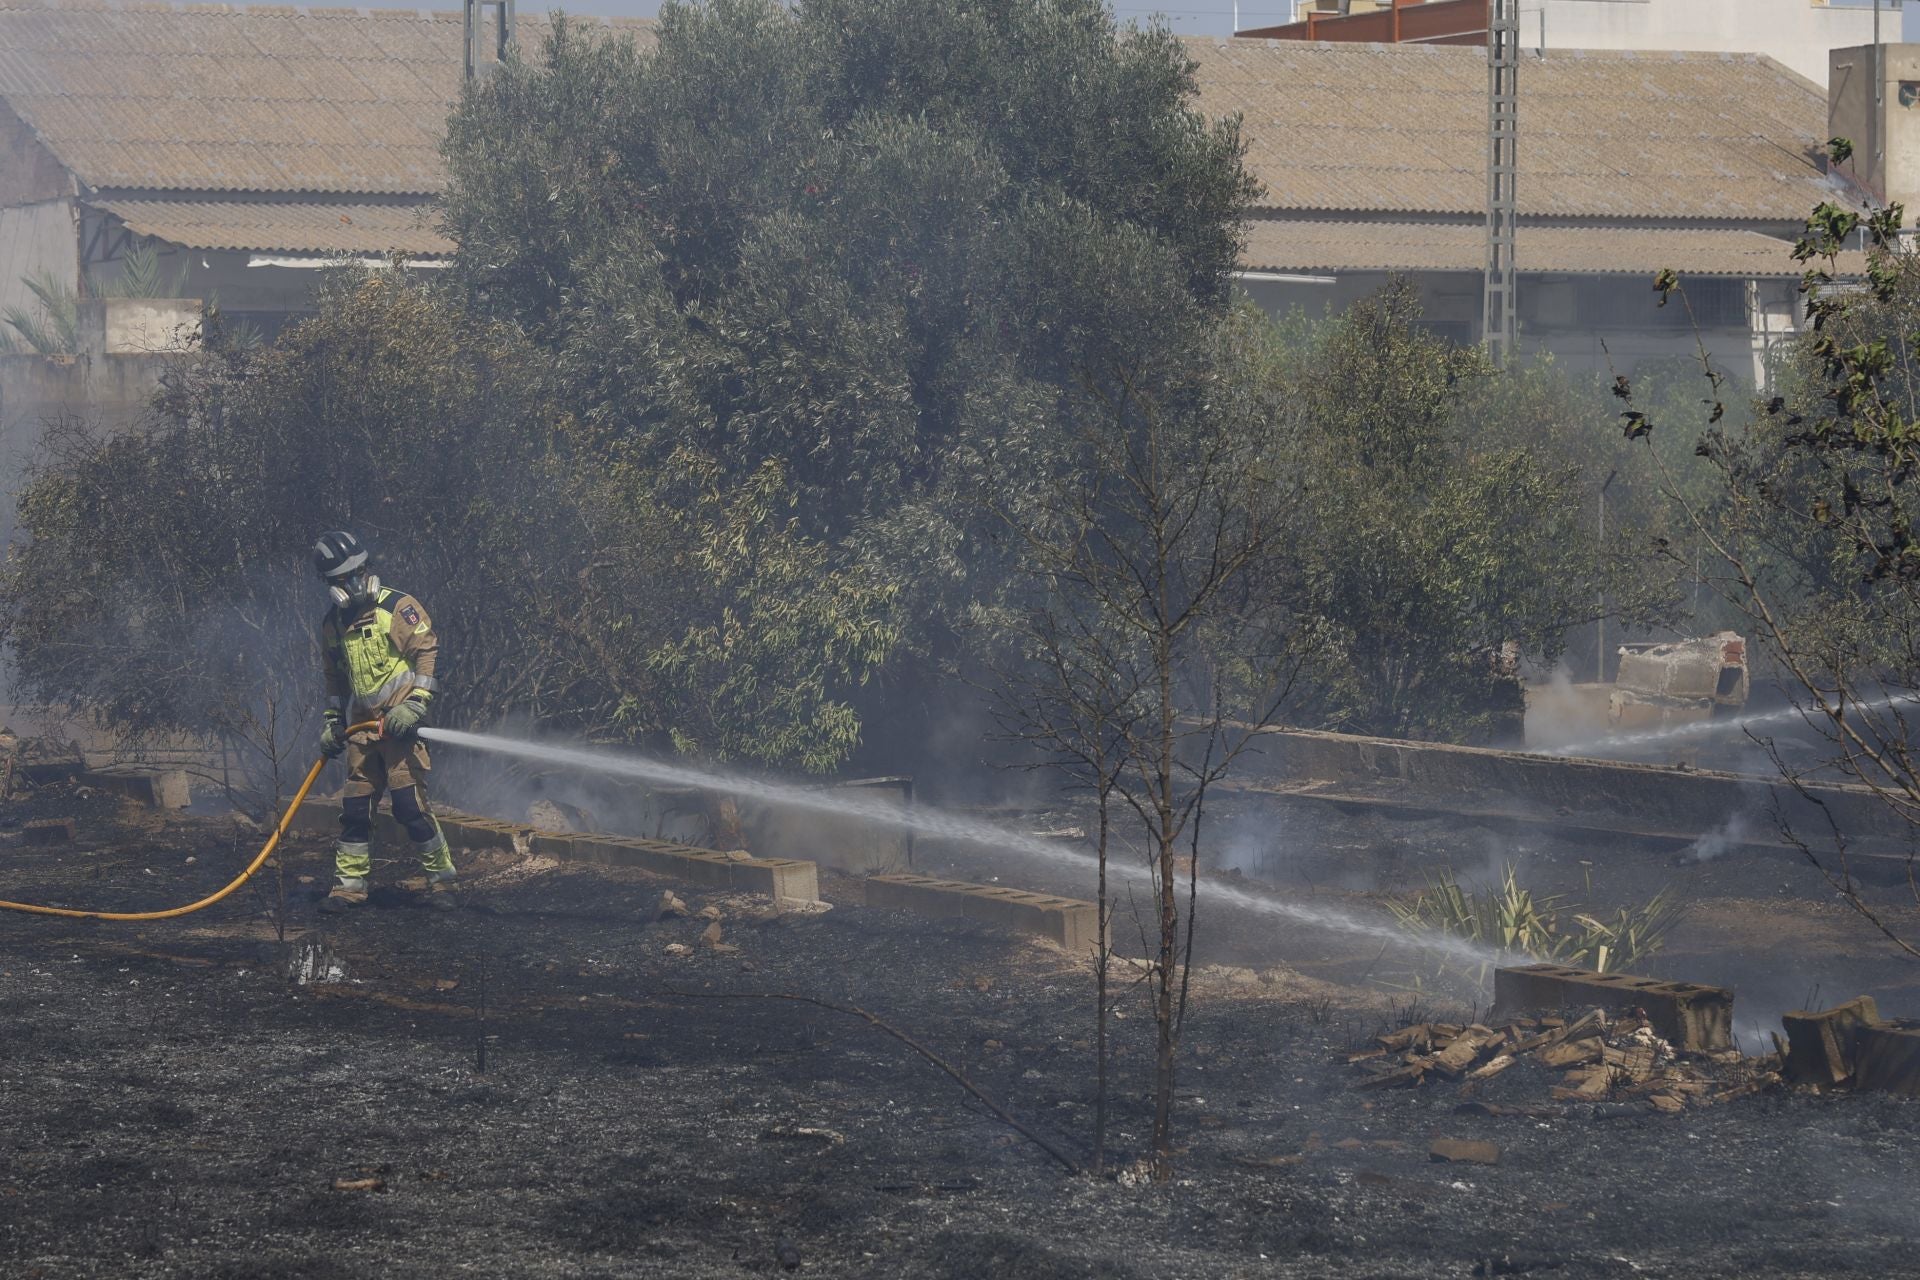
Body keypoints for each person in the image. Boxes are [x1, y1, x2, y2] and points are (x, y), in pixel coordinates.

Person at [310, 530, 455, 913]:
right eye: (346, 578)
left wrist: (415, 705)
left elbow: (427, 652)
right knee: (356, 812)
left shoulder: (398, 608)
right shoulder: (332, 626)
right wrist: (331, 722)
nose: (357, 582)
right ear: (332, 586)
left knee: (409, 806)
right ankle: (348, 889)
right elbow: (334, 681)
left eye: (361, 571)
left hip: (400, 730)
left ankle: (442, 884)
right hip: (362, 734)